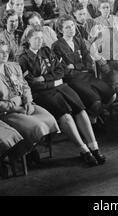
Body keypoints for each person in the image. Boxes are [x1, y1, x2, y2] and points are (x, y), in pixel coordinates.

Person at [18, 26, 105, 166]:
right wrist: (53, 81)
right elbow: (32, 84)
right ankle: (84, 150)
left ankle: (94, 147)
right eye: (36, 38)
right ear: (28, 40)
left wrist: (45, 79)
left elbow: (60, 71)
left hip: (61, 87)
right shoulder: (23, 59)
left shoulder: (46, 51)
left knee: (80, 110)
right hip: (42, 94)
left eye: (41, 38)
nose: (39, 41)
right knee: (66, 116)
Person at [0, 40, 59, 154]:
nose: (5, 54)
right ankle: (26, 152)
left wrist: (28, 101)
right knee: (37, 126)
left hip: (24, 104)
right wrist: (17, 108)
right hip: (6, 112)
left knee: (50, 120)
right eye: (0, 52)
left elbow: (25, 86)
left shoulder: (13, 66)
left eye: (6, 51)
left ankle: (31, 149)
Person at [52, 15, 115, 119]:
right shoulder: (56, 46)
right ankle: (93, 119)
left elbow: (88, 61)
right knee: (96, 101)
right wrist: (80, 67)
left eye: (72, 25)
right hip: (72, 79)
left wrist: (76, 66)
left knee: (112, 95)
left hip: (86, 75)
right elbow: (63, 69)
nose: (71, 29)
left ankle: (95, 115)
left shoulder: (79, 40)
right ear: (60, 29)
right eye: (67, 27)